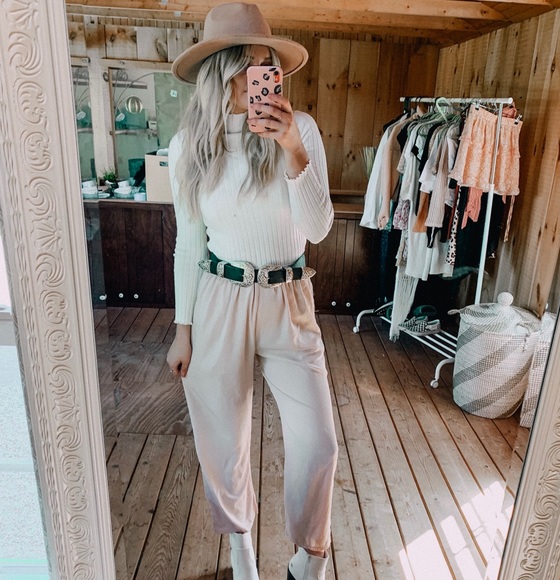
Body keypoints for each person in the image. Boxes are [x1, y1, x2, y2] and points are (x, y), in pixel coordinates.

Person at [166, 3, 338, 580]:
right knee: (223, 439)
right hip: (220, 296)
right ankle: (240, 548)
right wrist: (183, 329)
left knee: (319, 442)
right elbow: (189, 243)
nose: (265, 77)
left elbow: (317, 229)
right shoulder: (189, 145)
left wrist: (293, 148)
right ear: (221, 72)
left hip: (290, 299)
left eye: (269, 65)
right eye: (251, 65)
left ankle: (309, 556)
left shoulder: (300, 128)